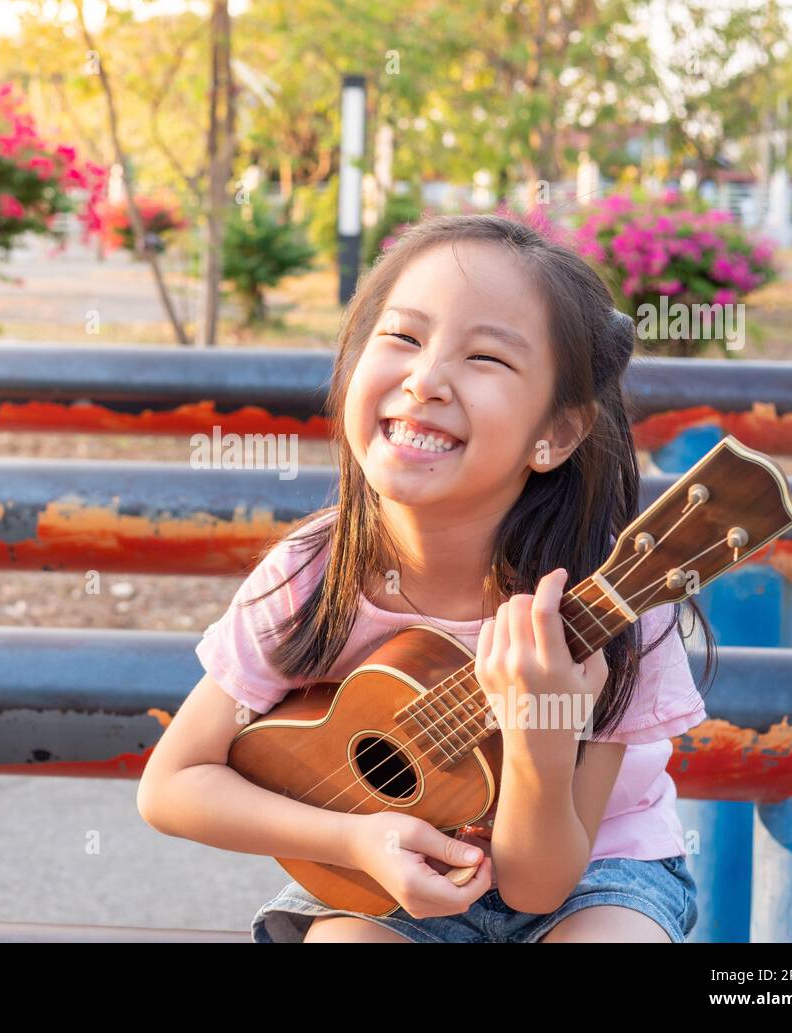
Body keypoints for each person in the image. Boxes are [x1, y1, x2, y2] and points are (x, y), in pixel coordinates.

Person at [136, 213, 711, 943]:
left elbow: (539, 882)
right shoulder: (314, 574)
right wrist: (356, 841)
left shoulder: (614, 606)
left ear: (557, 433)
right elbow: (172, 785)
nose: (426, 378)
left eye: (486, 359)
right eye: (403, 337)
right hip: (375, 870)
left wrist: (541, 734)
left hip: (596, 871)